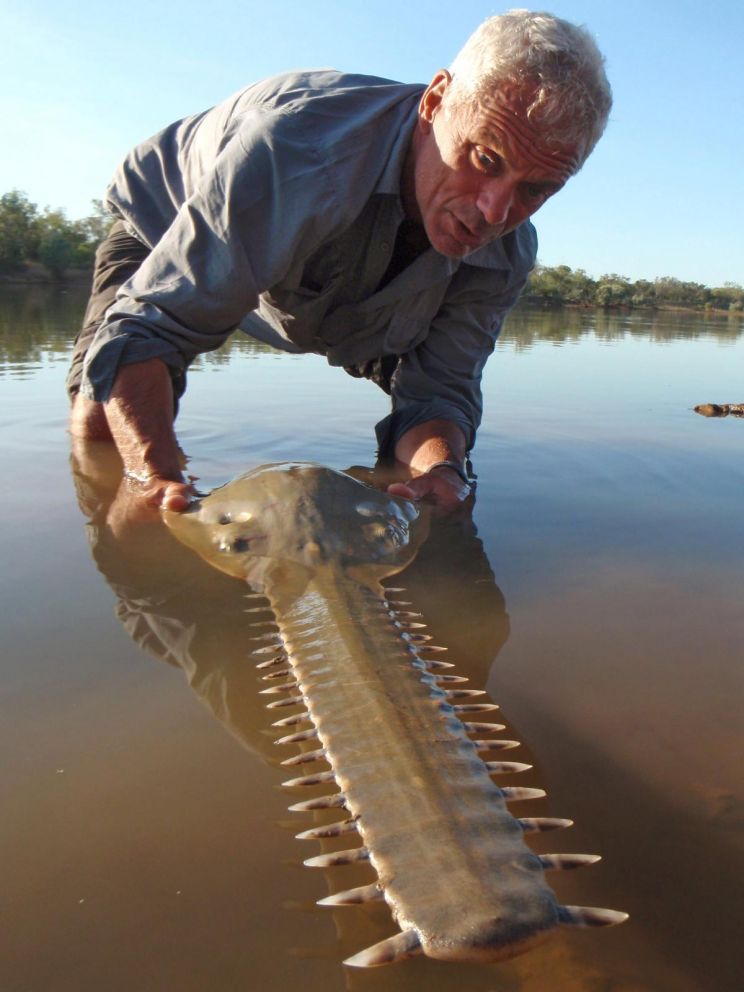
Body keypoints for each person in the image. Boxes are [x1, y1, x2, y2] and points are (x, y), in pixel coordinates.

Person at [67, 10, 611, 512]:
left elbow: (438, 393)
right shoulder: (296, 152)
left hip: (351, 308)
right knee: (101, 424)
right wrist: (154, 482)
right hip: (170, 222)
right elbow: (148, 333)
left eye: (536, 189)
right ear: (436, 101)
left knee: (430, 485)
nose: (496, 211)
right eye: (486, 158)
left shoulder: (507, 252)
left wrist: (444, 473)